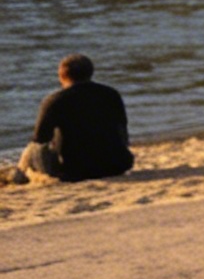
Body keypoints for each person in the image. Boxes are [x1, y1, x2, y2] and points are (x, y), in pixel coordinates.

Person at [14, 55, 134, 184]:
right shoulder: (111, 94)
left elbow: (40, 139)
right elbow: (122, 129)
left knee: (35, 147)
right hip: (119, 165)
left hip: (74, 171)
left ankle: (18, 177)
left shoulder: (55, 100)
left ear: (61, 76)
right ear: (91, 72)